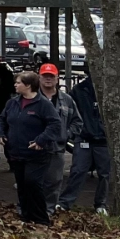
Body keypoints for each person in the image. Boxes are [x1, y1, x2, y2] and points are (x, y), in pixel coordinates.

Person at [0, 70, 64, 225]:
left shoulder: (43, 104)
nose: (15, 85)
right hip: (16, 152)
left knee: (33, 183)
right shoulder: (12, 102)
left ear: (28, 85)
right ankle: (25, 215)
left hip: (37, 153)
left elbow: (55, 124)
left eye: (18, 82)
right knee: (22, 184)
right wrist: (0, 133)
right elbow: (2, 119)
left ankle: (41, 218)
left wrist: (41, 140)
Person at [59, 71, 111, 214]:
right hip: (84, 138)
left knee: (105, 174)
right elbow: (72, 114)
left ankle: (101, 204)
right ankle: (65, 203)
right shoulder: (79, 90)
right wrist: (74, 132)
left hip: (103, 139)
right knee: (78, 170)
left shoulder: (111, 89)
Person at [34, 64, 79, 214]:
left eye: (51, 76)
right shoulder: (30, 98)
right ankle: (31, 210)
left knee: (54, 182)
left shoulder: (67, 100)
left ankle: (48, 211)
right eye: (45, 76)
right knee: (32, 181)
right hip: (34, 147)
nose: (48, 79)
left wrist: (66, 134)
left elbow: (77, 122)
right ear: (39, 77)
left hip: (56, 148)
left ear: (57, 78)